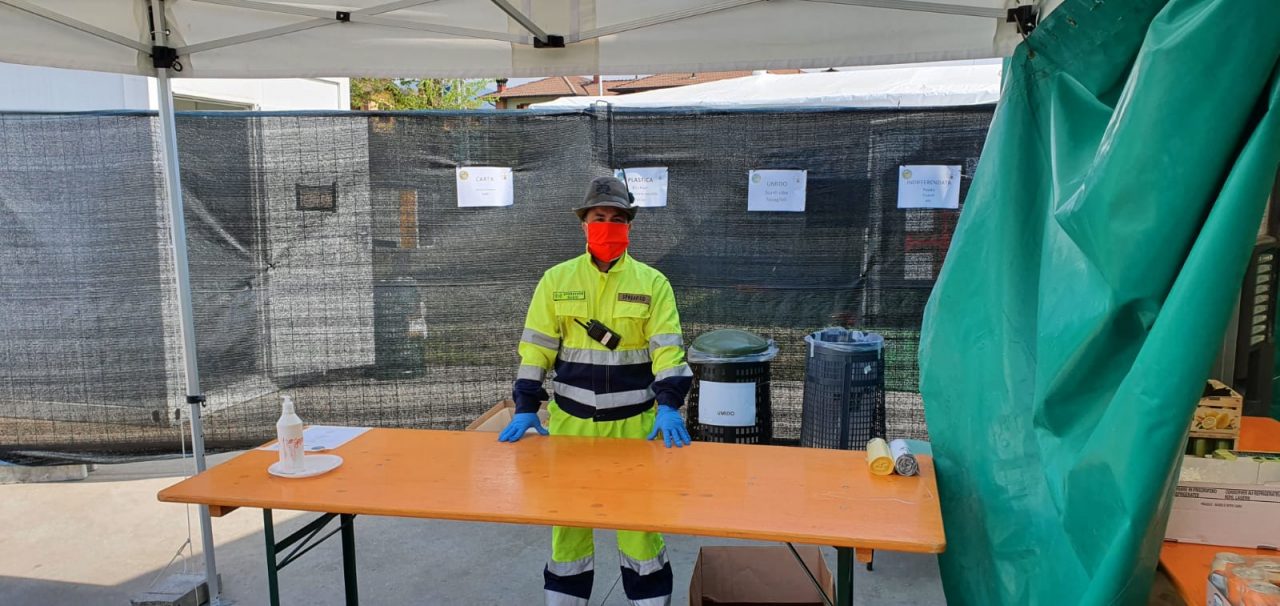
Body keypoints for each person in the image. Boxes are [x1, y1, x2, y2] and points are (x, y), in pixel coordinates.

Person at [499, 175, 693, 606]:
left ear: (629, 226)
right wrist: (526, 405)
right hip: (571, 428)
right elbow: (536, 348)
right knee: (567, 528)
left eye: (617, 219)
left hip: (635, 428)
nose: (608, 225)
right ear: (584, 224)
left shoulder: (652, 283)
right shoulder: (556, 280)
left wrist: (668, 406)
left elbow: (668, 351)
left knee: (640, 528)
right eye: (599, 217)